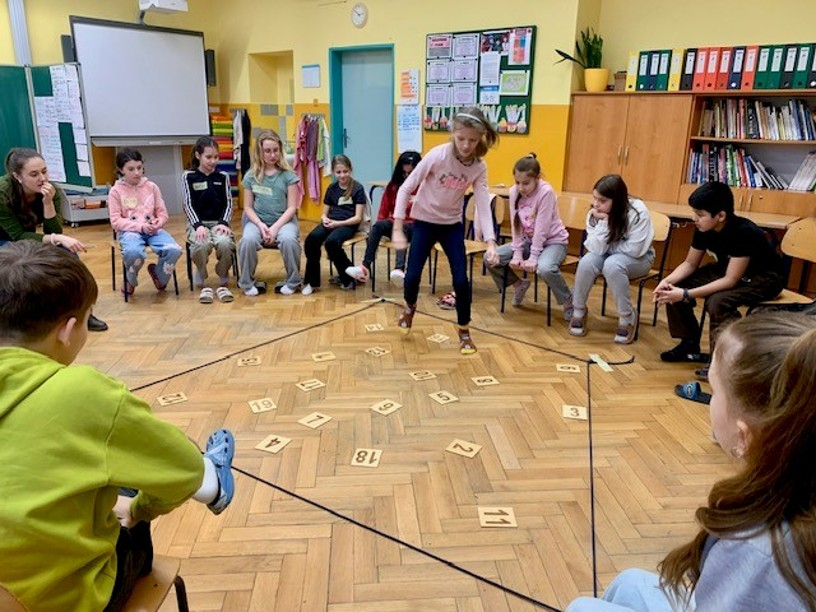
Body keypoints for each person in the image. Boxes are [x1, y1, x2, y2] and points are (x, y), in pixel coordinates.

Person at [0, 241, 236, 611]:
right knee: (152, 462)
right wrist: (139, 509)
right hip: (68, 598)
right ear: (68, 330)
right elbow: (181, 473)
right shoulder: (83, 392)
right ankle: (213, 482)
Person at [566, 313, 816, 611]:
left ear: (744, 434)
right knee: (629, 582)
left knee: (581, 607)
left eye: (715, 390)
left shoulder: (758, 553)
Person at [391, 106, 500, 355]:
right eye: (461, 139)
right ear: (453, 133)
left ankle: (464, 331)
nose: (466, 145)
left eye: (472, 140)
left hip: (451, 226)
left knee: (461, 280)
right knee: (412, 276)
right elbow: (406, 188)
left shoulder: (478, 166)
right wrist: (397, 227)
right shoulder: (438, 156)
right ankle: (409, 308)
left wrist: (491, 242)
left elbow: (483, 203)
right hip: (424, 222)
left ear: (480, 138)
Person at [654, 181, 784, 378]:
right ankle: (689, 343)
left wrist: (686, 294)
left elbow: (730, 280)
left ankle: (722, 361)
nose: (694, 219)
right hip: (729, 270)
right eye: (694, 213)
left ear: (721, 216)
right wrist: (666, 282)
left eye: (700, 214)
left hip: (764, 278)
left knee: (717, 302)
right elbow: (689, 264)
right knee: (674, 286)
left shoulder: (743, 232)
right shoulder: (703, 228)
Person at [0, 147, 107, 331]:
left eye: (44, 171)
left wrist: (48, 203)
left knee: (68, 256)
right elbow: (17, 237)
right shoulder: (2, 193)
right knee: (17, 262)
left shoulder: (52, 190)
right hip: (5, 237)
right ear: (17, 176)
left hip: (26, 236)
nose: (42, 178)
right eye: (34, 174)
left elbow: (53, 230)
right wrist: (57, 238)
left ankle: (82, 312)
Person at [569, 174, 654, 344]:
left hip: (640, 259)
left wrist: (609, 246)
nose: (596, 204)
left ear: (618, 200)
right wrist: (604, 223)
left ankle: (627, 316)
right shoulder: (595, 214)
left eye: (602, 201)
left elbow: (635, 250)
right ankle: (578, 310)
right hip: (609, 255)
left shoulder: (638, 212)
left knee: (612, 265)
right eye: (595, 198)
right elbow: (594, 248)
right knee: (586, 262)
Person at [487, 153, 571, 313]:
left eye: (526, 183)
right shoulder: (514, 192)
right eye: (517, 182)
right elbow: (516, 224)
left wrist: (533, 257)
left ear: (537, 178)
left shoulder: (546, 192)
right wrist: (517, 253)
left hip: (554, 242)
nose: (521, 188)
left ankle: (569, 300)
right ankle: (519, 284)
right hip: (529, 241)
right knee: (490, 258)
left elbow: (541, 228)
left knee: (545, 269)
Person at [108, 148, 182, 297]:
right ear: (121, 170)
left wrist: (158, 222)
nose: (137, 172)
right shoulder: (115, 191)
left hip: (153, 230)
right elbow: (115, 221)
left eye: (139, 167)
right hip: (130, 232)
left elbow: (162, 213)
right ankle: (130, 279)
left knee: (174, 250)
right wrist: (140, 226)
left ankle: (159, 275)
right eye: (131, 169)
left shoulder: (152, 187)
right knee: (133, 252)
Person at [238, 129, 303, 297]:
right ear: (260, 152)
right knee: (247, 241)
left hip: (283, 221)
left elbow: (292, 208)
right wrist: (260, 225)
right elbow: (247, 207)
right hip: (256, 221)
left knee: (289, 240)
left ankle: (293, 281)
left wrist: (275, 228)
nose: (272, 155)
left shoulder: (289, 176)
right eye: (267, 151)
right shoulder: (251, 176)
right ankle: (246, 282)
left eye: (275, 150)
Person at [346, 150, 421, 284]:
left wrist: (418, 200)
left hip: (416, 227)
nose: (407, 176)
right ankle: (364, 267)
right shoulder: (393, 186)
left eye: (411, 173)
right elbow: (383, 210)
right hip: (394, 224)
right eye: (404, 173)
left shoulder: (424, 187)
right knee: (378, 226)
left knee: (403, 228)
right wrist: (380, 229)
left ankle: (399, 268)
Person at [181, 135, 236, 304]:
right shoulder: (188, 176)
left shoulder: (223, 176)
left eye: (216, 157)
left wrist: (224, 223)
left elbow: (228, 203)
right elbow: (188, 204)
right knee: (201, 244)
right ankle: (201, 270)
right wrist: (197, 225)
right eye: (209, 157)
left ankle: (222, 271)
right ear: (198, 156)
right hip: (198, 223)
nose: (213, 161)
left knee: (225, 243)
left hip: (219, 222)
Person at [302, 154, 366, 295]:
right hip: (332, 222)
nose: (342, 175)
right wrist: (324, 218)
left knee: (331, 243)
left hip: (348, 224)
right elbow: (324, 213)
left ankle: (348, 278)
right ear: (333, 172)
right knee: (311, 240)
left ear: (350, 170)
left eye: (345, 171)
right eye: (338, 172)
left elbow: (357, 218)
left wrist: (337, 223)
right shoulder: (332, 188)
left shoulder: (357, 188)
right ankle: (312, 282)